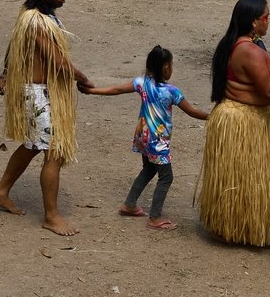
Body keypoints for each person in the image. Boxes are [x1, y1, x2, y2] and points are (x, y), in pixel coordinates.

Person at [196, 0, 270, 246]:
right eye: (265, 18)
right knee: (241, 181)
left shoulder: (233, 43)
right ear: (253, 22)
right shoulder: (250, 51)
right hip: (244, 120)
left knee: (240, 179)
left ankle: (234, 227)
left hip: (232, 115)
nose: (269, 22)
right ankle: (237, 228)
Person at [0, 0, 90, 235]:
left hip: (37, 91)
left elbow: (14, 47)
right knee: (54, 152)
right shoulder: (36, 22)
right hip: (38, 94)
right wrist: (81, 77)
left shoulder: (32, 15)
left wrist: (6, 72)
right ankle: (51, 216)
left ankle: (0, 193)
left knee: (33, 145)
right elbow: (57, 61)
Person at [84, 45, 209, 230]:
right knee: (166, 177)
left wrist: (92, 91)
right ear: (166, 67)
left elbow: (116, 89)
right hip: (158, 142)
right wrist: (214, 116)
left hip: (143, 137)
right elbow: (192, 111)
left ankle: (129, 204)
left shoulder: (142, 83)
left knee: (149, 170)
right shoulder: (172, 92)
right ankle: (155, 217)